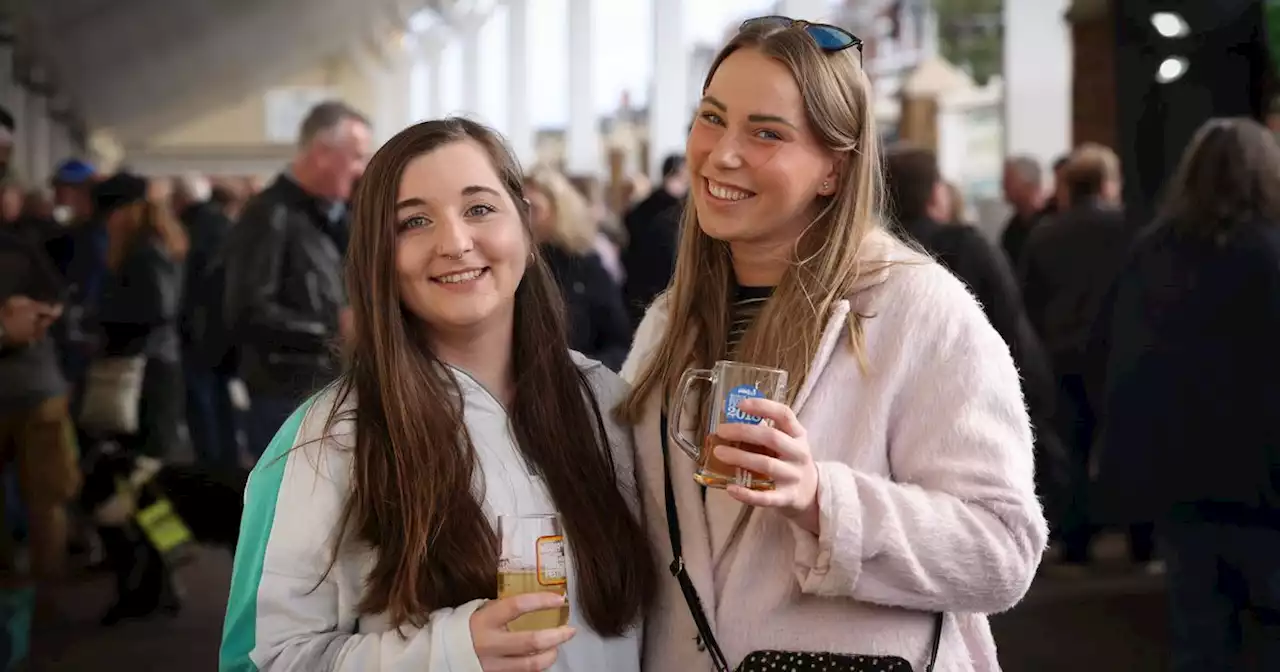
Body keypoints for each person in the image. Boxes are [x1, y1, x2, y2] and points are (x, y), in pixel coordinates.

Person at [616, 17, 1046, 671]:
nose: (723, 153)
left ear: (833, 171)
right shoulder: (669, 324)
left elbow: (1003, 550)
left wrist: (823, 500)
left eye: (767, 133)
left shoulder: (917, 311)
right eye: (712, 118)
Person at [220, 118, 657, 671]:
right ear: (379, 251)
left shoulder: (606, 404)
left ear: (523, 223)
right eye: (415, 222)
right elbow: (256, 661)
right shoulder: (327, 437)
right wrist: (447, 652)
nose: (454, 243)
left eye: (479, 209)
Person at [1090, 118, 1280, 671]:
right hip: (1265, 491)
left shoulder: (1153, 255)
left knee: (1198, 640)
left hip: (1181, 486)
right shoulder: (1270, 256)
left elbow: (1113, 358)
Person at [224, 101, 369, 459]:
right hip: (284, 396)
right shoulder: (269, 215)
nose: (361, 168)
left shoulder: (337, 217)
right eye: (356, 156)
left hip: (328, 386)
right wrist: (332, 328)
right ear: (322, 153)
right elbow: (246, 311)